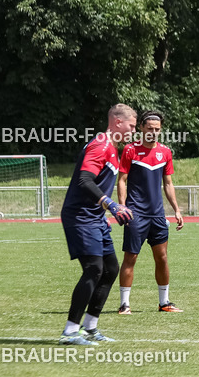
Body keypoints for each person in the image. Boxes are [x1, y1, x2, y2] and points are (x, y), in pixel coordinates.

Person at [59, 104, 137, 345]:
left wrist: (102, 213)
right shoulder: (101, 144)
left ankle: (90, 328)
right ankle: (70, 332)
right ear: (117, 122)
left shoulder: (112, 148)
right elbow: (84, 180)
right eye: (132, 126)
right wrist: (110, 204)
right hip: (80, 217)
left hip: (94, 217)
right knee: (93, 269)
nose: (134, 131)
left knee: (110, 269)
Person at [117, 111, 184, 314]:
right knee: (131, 257)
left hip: (157, 215)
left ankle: (164, 303)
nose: (153, 132)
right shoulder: (130, 150)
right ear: (141, 128)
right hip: (135, 214)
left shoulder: (165, 152)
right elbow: (122, 180)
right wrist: (122, 207)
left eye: (157, 129)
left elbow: (168, 183)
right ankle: (124, 304)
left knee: (162, 258)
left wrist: (177, 209)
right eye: (149, 128)